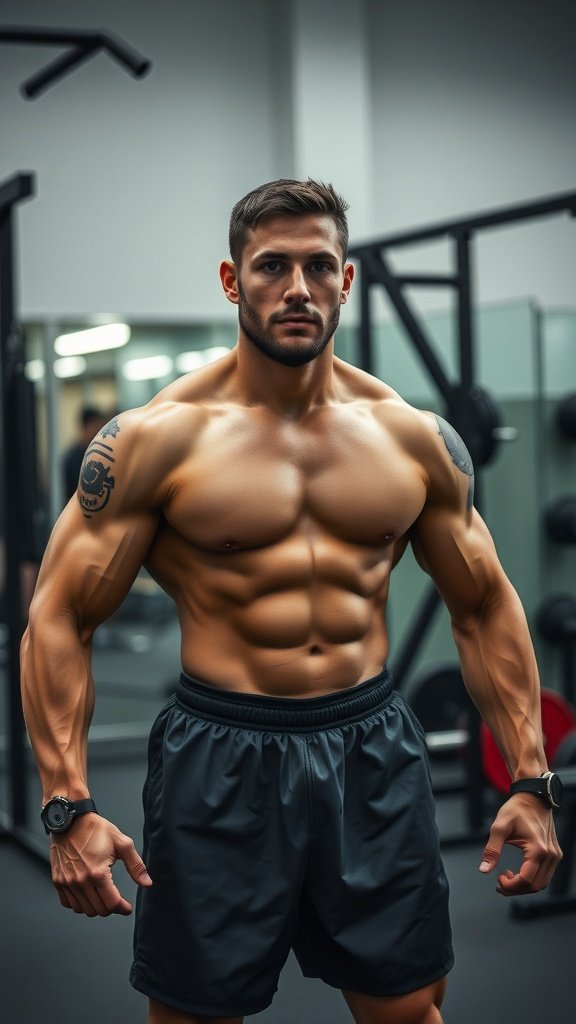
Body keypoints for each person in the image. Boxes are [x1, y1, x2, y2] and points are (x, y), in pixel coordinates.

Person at [21, 179, 562, 1024]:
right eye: (272, 266)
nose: (298, 288)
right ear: (233, 281)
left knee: (410, 1011)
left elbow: (486, 605)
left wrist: (530, 776)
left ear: (346, 281)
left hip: (373, 751)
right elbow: (59, 616)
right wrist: (68, 805)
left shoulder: (411, 437)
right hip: (221, 756)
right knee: (197, 1015)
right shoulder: (155, 441)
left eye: (319, 266)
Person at [62, 404, 108, 502]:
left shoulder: (93, 452)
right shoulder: (73, 458)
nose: (100, 431)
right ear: (89, 425)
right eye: (98, 425)